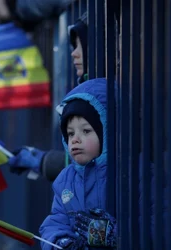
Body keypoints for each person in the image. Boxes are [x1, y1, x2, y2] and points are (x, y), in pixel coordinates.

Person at [38, 78, 117, 249]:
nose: (75, 140)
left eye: (86, 131)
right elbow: (55, 223)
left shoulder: (134, 172)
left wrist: (118, 233)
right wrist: (61, 242)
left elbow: (170, 217)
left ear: (108, 131)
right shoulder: (65, 180)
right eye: (70, 133)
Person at [7, 18, 89, 181]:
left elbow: (92, 165)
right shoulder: (85, 93)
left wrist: (43, 161)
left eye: (81, 45)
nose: (74, 52)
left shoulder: (101, 97)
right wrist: (43, 161)